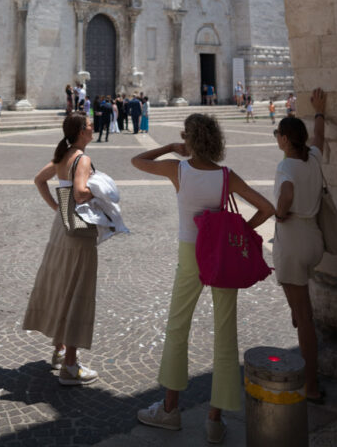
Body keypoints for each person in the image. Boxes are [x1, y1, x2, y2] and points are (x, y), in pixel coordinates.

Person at [131, 113, 273, 442]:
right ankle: (214, 419)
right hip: (222, 255)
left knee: (177, 326)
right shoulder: (226, 176)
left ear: (190, 140)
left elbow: (137, 160)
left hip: (190, 252)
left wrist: (169, 146)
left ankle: (169, 409)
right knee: (225, 332)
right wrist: (239, 231)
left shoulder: (177, 169)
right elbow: (267, 208)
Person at [23, 113, 99, 386]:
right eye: (90, 126)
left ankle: (59, 349)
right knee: (78, 288)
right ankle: (70, 366)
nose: (94, 128)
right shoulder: (82, 159)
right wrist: (102, 192)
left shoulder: (63, 154)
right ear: (81, 131)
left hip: (61, 226)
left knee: (61, 283)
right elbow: (79, 193)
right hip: (79, 230)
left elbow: (39, 180)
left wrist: (57, 207)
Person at [273, 89, 326, 404]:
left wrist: (280, 214)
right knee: (298, 304)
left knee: (303, 316)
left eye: (278, 134)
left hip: (292, 242)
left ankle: (311, 386)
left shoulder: (286, 167)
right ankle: (297, 314)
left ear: (284, 140)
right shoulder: (314, 158)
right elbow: (319, 137)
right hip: (314, 239)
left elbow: (286, 197)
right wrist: (320, 111)